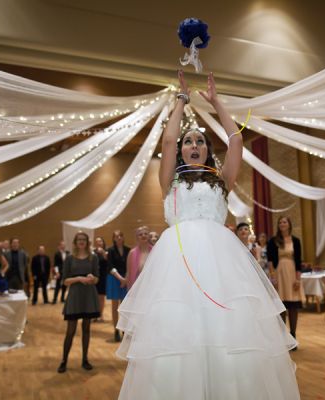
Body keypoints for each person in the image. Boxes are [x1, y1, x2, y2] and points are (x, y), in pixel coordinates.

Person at [116, 71, 299, 399]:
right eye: (189, 141)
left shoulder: (222, 180)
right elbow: (167, 140)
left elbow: (236, 141)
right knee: (180, 328)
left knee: (225, 330)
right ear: (182, 151)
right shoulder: (169, 182)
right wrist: (181, 101)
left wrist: (217, 103)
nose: (194, 145)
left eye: (200, 141)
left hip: (221, 265)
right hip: (177, 265)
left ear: (207, 150)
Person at [58, 232, 100, 373]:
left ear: (87, 242)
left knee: (86, 329)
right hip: (75, 297)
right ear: (75, 242)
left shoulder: (93, 258)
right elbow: (65, 281)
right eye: (79, 239)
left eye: (84, 239)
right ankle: (64, 360)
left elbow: (97, 279)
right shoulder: (69, 258)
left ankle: (85, 359)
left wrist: (92, 278)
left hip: (89, 296)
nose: (81, 241)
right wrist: (79, 279)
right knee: (70, 331)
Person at [267, 216, 304, 347]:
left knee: (293, 306)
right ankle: (283, 337)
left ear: (289, 224)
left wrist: (298, 279)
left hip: (292, 275)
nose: (282, 224)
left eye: (284, 222)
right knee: (281, 307)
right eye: (280, 222)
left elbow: (298, 262)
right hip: (279, 275)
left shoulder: (296, 241)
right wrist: (273, 277)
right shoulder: (273, 241)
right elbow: (270, 261)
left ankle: (293, 335)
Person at [106, 230, 130, 342]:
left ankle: (124, 329)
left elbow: (130, 266)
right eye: (116, 236)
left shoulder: (128, 250)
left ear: (123, 237)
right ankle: (116, 330)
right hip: (114, 279)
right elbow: (110, 266)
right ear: (114, 239)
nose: (119, 237)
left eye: (120, 235)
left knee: (124, 307)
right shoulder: (110, 250)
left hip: (126, 279)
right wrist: (121, 279)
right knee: (115, 307)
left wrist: (126, 279)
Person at [93, 236, 109, 322]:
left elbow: (109, 261)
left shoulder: (107, 251)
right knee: (94, 297)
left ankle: (100, 314)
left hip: (103, 277)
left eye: (100, 241)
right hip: (94, 276)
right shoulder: (93, 252)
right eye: (97, 242)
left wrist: (103, 252)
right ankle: (95, 314)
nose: (99, 243)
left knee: (101, 297)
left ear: (103, 243)